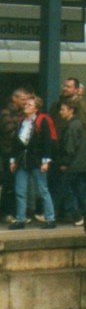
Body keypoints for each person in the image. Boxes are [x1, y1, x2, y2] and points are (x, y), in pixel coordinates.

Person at [8, 95, 57, 230]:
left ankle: (50, 218)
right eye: (26, 104)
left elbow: (47, 142)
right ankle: (20, 219)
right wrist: (12, 160)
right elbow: (16, 144)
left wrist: (46, 161)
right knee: (20, 191)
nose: (26, 106)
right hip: (22, 160)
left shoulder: (42, 121)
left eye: (29, 105)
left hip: (37, 160)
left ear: (36, 108)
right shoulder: (21, 121)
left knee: (42, 190)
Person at [55, 100, 86, 225]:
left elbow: (70, 147)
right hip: (80, 164)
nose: (60, 112)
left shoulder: (72, 126)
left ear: (71, 110)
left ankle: (76, 215)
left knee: (67, 190)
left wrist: (65, 163)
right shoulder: (78, 124)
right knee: (80, 190)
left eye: (63, 109)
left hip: (72, 164)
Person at [1, 87, 31, 222]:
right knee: (8, 184)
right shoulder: (6, 113)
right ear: (15, 99)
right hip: (8, 154)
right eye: (23, 99)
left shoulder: (22, 114)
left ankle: (18, 213)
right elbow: (10, 133)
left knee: (18, 184)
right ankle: (7, 213)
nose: (26, 102)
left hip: (19, 154)